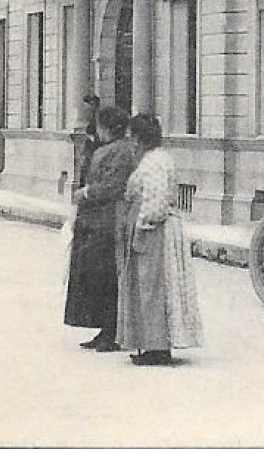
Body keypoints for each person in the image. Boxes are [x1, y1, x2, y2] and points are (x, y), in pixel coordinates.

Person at [116, 115, 203, 365]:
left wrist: (143, 223)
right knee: (147, 286)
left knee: (151, 286)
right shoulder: (155, 159)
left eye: (132, 138)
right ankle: (151, 344)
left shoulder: (154, 162)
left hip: (155, 230)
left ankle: (156, 347)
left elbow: (156, 200)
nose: (130, 143)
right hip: (153, 227)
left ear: (142, 138)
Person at [63, 106, 139, 352]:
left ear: (107, 127)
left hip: (108, 222)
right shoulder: (111, 149)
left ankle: (111, 331)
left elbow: (112, 185)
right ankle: (103, 328)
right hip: (96, 221)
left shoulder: (120, 151)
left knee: (105, 277)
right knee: (95, 277)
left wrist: (86, 192)